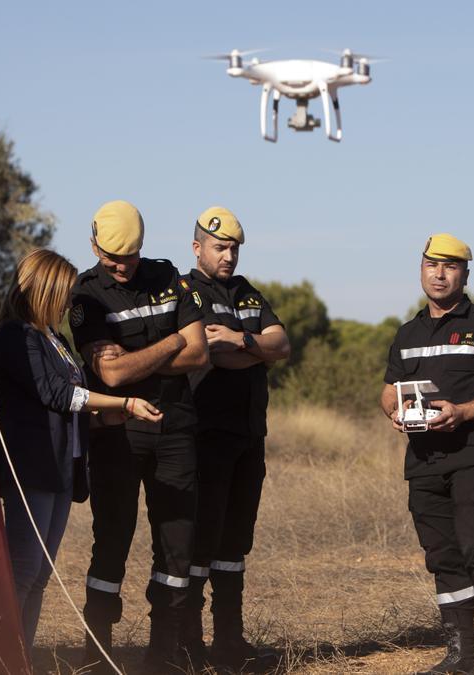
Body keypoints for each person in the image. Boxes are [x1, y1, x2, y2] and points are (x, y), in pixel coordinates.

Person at [0, 248, 163, 655]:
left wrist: (106, 419)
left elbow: (73, 405)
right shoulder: (16, 336)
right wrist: (122, 404)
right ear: (44, 289)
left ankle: (21, 659)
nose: (69, 302)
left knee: (39, 576)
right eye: (64, 293)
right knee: (23, 572)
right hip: (30, 468)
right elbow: (58, 394)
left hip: (60, 470)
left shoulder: (56, 338)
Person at [67, 201, 209, 669]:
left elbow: (199, 354)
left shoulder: (169, 278)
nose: (121, 265)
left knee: (177, 542)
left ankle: (163, 653)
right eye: (111, 256)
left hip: (175, 429)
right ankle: (98, 652)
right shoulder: (86, 295)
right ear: (94, 245)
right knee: (112, 538)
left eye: (129, 256)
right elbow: (109, 375)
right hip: (118, 435)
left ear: (142, 247)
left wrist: (136, 360)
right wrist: (171, 340)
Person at [380, 234, 474, 675]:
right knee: (442, 556)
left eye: (450, 266)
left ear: (465, 274)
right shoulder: (407, 333)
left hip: (472, 457)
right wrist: (396, 412)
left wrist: (463, 412)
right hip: (423, 462)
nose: (439, 274)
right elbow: (389, 392)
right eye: (431, 265)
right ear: (421, 269)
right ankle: (459, 653)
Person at [179, 207, 291, 669]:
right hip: (207, 435)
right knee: (201, 541)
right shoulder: (186, 292)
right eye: (220, 247)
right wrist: (252, 348)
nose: (229, 255)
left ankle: (230, 640)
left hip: (249, 435)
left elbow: (281, 346)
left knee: (235, 543)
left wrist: (243, 341)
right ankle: (188, 642)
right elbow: (211, 355)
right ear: (197, 247)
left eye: (234, 248)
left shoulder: (247, 293)